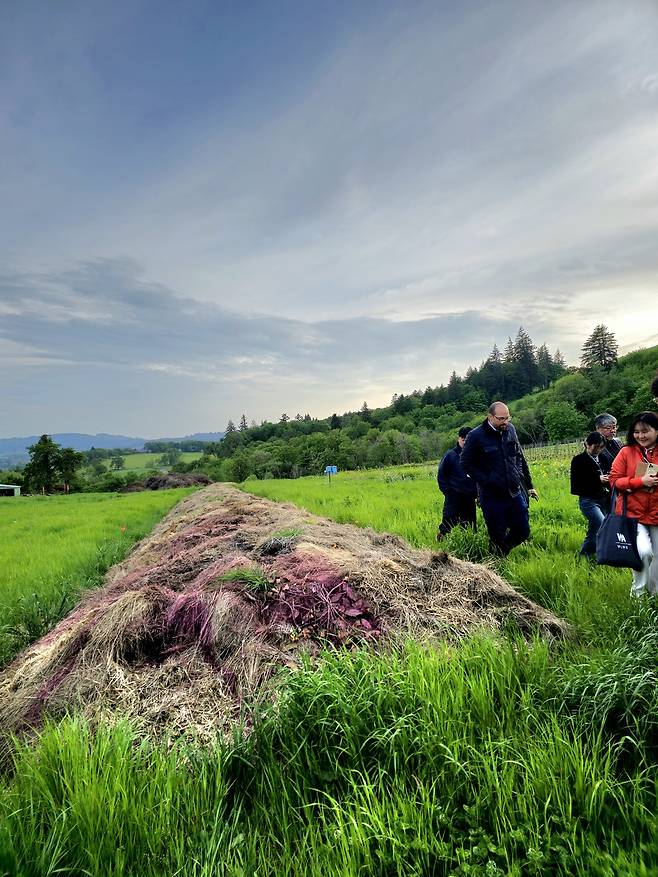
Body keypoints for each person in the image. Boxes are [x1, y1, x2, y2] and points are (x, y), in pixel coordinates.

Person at [460, 401, 538, 556]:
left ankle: (500, 552)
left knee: (523, 530)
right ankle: (496, 564)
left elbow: (519, 456)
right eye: (501, 419)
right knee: (497, 534)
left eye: (507, 418)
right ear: (490, 417)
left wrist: (527, 483)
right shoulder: (476, 436)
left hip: (514, 492)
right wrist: (487, 481)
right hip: (492, 496)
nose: (505, 422)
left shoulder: (511, 430)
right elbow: (465, 463)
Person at [609, 411, 658, 596]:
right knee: (644, 552)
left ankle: (654, 597)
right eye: (636, 432)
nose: (640, 436)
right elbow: (614, 481)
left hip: (656, 514)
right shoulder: (626, 452)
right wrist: (639, 482)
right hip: (632, 515)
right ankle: (637, 596)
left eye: (645, 431)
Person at [570, 432, 610, 560]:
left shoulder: (604, 458)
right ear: (586, 444)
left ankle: (585, 555)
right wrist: (597, 479)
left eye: (601, 447)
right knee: (602, 524)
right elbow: (576, 486)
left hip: (604, 498)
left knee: (594, 530)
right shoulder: (578, 460)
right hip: (588, 501)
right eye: (595, 447)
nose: (598, 450)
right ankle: (603, 553)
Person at [436, 426, 478, 540]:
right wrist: (448, 492)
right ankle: (442, 542)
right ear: (459, 439)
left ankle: (468, 544)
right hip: (454, 495)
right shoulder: (450, 455)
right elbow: (441, 475)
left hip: (470, 497)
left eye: (468, 440)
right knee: (448, 521)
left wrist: (478, 494)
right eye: (464, 440)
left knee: (469, 524)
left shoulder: (475, 456)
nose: (466, 442)